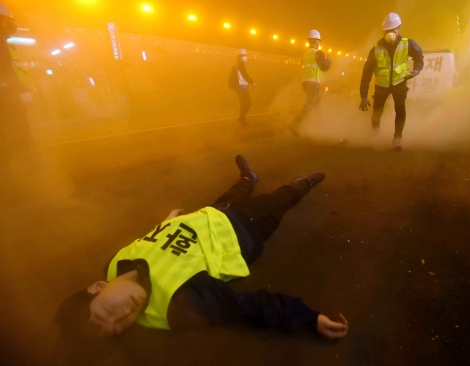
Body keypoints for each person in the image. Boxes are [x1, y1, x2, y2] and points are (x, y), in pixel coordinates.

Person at [57, 156, 348, 340]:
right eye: (120, 325)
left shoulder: (115, 263)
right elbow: (244, 307)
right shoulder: (176, 305)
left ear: (98, 287)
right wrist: (307, 318)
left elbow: (145, 245)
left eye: (107, 310)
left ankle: (248, 177)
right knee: (281, 199)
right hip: (246, 228)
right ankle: (303, 184)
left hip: (208, 214)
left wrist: (167, 222)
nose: (124, 313)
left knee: (235, 192)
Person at [359, 12, 424, 150]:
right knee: (377, 111)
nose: (390, 34)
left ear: (399, 28)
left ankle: (397, 138)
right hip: (381, 86)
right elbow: (366, 73)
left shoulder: (408, 44)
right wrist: (363, 96)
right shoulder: (376, 49)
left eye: (393, 30)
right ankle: (375, 134)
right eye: (387, 31)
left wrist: (417, 70)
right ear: (383, 32)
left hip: (399, 83)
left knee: (400, 110)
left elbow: (419, 56)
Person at [0, 2, 35, 170]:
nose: (9, 25)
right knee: (18, 133)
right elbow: (5, 67)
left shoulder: (4, 41)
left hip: (8, 92)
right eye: (5, 21)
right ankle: (28, 170)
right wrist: (21, 91)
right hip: (8, 94)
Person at [289, 30, 332, 136]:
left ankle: (321, 127)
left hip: (306, 82)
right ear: (315, 41)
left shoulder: (305, 54)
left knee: (317, 106)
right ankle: (294, 125)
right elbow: (325, 67)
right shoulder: (318, 53)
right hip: (313, 83)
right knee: (309, 105)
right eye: (318, 41)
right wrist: (329, 60)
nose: (319, 43)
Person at [234, 48, 255, 126]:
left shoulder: (238, 64)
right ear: (239, 56)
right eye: (243, 55)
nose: (245, 57)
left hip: (242, 86)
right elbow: (244, 74)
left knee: (244, 103)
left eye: (245, 55)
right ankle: (242, 119)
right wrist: (252, 82)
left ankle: (241, 118)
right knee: (247, 103)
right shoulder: (240, 64)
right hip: (241, 87)